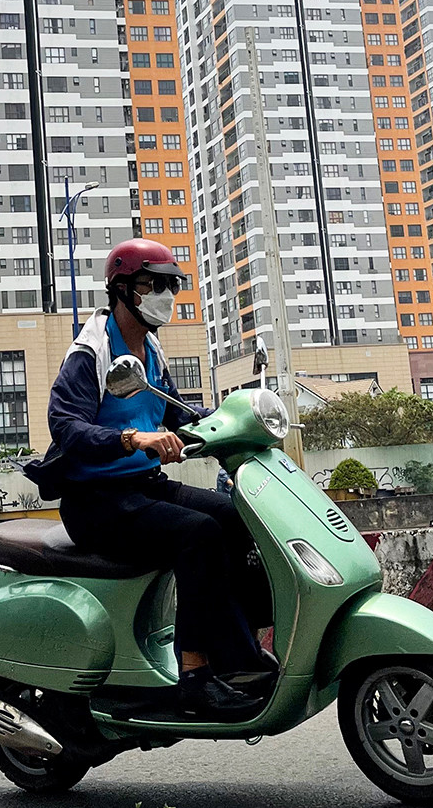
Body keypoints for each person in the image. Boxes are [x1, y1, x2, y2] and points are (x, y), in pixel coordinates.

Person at [24, 238, 274, 717]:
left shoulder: (152, 350)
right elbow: (65, 424)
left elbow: (178, 412)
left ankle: (235, 652)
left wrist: (231, 424)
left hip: (143, 488)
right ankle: (195, 674)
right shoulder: (91, 350)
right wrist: (131, 440)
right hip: (96, 500)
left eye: (169, 285)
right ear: (120, 289)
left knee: (235, 515)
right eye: (150, 284)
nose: (164, 294)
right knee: (198, 535)